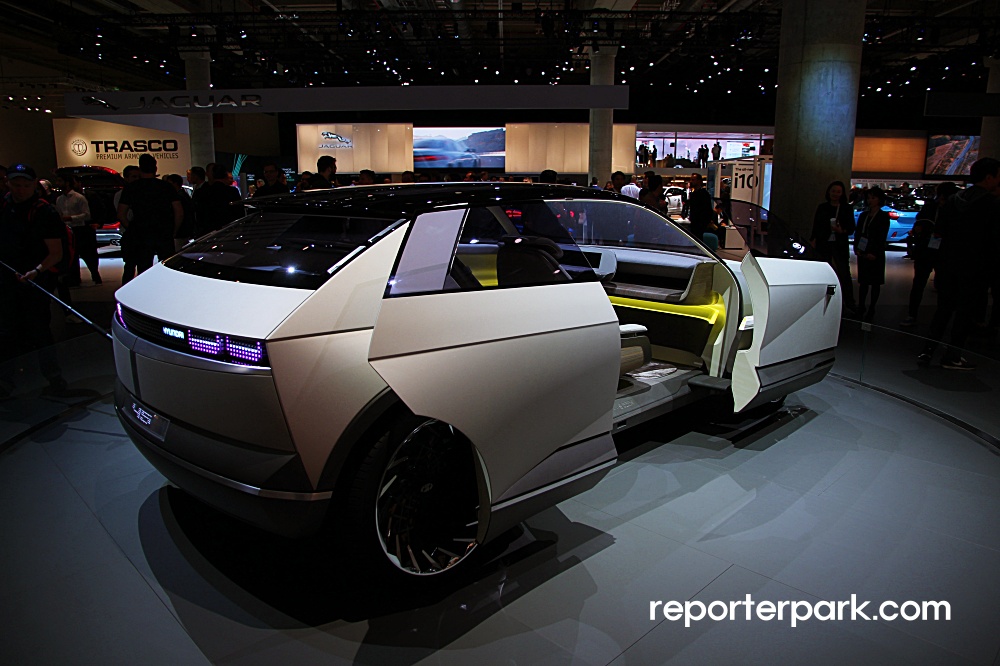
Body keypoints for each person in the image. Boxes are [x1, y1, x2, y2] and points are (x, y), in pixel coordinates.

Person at [919, 158, 1000, 369]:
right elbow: (993, 241)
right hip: (974, 269)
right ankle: (952, 355)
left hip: (948, 265)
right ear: (989, 177)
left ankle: (927, 351)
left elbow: (939, 232)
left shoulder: (954, 200)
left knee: (943, 310)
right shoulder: (991, 204)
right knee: (964, 313)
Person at [0, 163, 68, 394]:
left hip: (36, 280)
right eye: (15, 185)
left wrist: (36, 271)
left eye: (25, 185)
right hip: (6, 279)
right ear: (8, 183)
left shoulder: (44, 212)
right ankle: (5, 380)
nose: (20, 190)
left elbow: (56, 252)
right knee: (6, 330)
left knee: (39, 329)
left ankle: (54, 377)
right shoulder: (3, 205)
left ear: (34, 185)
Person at [117, 154, 182, 282]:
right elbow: (179, 212)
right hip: (163, 231)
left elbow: (121, 214)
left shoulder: (132, 188)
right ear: (155, 168)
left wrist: (132, 229)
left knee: (143, 269)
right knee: (168, 267)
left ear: (140, 168)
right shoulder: (166, 187)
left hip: (141, 234)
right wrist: (174, 230)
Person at [900, 182, 957, 327]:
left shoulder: (951, 209)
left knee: (941, 285)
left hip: (941, 251)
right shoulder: (932, 207)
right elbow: (919, 224)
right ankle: (913, 314)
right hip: (928, 250)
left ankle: (939, 318)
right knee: (919, 284)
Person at [810, 180, 857, 314]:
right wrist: (813, 239)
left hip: (839, 244)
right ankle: (821, 301)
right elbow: (816, 225)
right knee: (823, 272)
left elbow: (851, 228)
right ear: (829, 192)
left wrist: (841, 230)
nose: (835, 194)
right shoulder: (822, 207)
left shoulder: (846, 208)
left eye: (838, 192)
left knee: (844, 273)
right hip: (824, 243)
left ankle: (849, 302)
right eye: (833, 191)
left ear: (842, 194)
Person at [54, 169, 101, 286]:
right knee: (72, 255)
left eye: (60, 181)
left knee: (87, 254)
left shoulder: (79, 197)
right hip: (68, 230)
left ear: (67, 183)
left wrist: (70, 218)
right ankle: (74, 279)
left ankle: (95, 275)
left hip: (80, 229)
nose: (57, 183)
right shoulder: (59, 199)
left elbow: (86, 215)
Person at [854, 186, 890, 321]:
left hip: (876, 253)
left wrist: (875, 252)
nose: (870, 201)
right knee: (863, 282)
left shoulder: (883, 216)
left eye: (873, 198)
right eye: (868, 198)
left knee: (875, 283)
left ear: (879, 199)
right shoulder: (864, 215)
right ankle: (861, 306)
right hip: (863, 251)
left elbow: (882, 237)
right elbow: (858, 233)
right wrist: (857, 248)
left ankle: (872, 307)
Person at [194, 163, 243, 235]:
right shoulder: (232, 191)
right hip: (229, 230)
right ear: (225, 175)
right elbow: (239, 211)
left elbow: (199, 214)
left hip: (208, 232)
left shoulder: (202, 192)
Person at [164, 174, 197, 251]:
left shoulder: (179, 197)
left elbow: (180, 215)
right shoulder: (183, 195)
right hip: (184, 231)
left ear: (175, 183)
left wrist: (175, 231)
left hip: (181, 232)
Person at [687, 172, 718, 243]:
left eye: (693, 180)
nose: (691, 181)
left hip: (701, 224)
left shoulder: (704, 194)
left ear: (699, 181)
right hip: (694, 223)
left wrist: (705, 222)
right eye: (691, 179)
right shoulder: (693, 194)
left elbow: (707, 209)